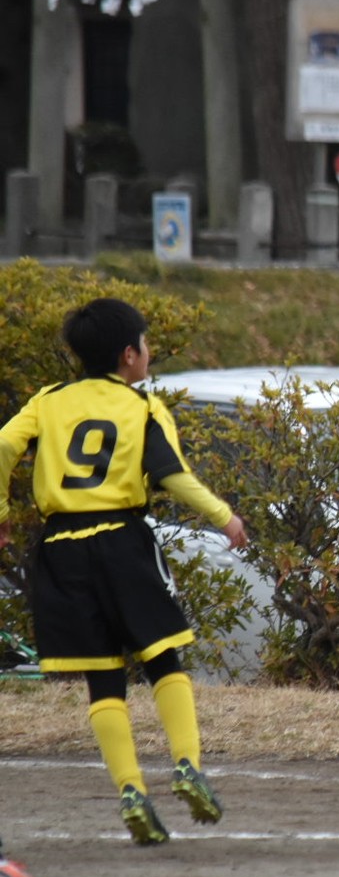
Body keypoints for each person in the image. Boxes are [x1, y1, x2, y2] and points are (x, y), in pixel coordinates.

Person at [0, 298, 246, 845]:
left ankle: (131, 791)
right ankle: (186, 765)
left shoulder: (48, 400)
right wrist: (223, 515)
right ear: (129, 354)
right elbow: (171, 476)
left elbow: (3, 443)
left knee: (103, 679)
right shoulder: (142, 407)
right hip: (121, 539)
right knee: (162, 656)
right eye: (146, 344)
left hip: (61, 545)